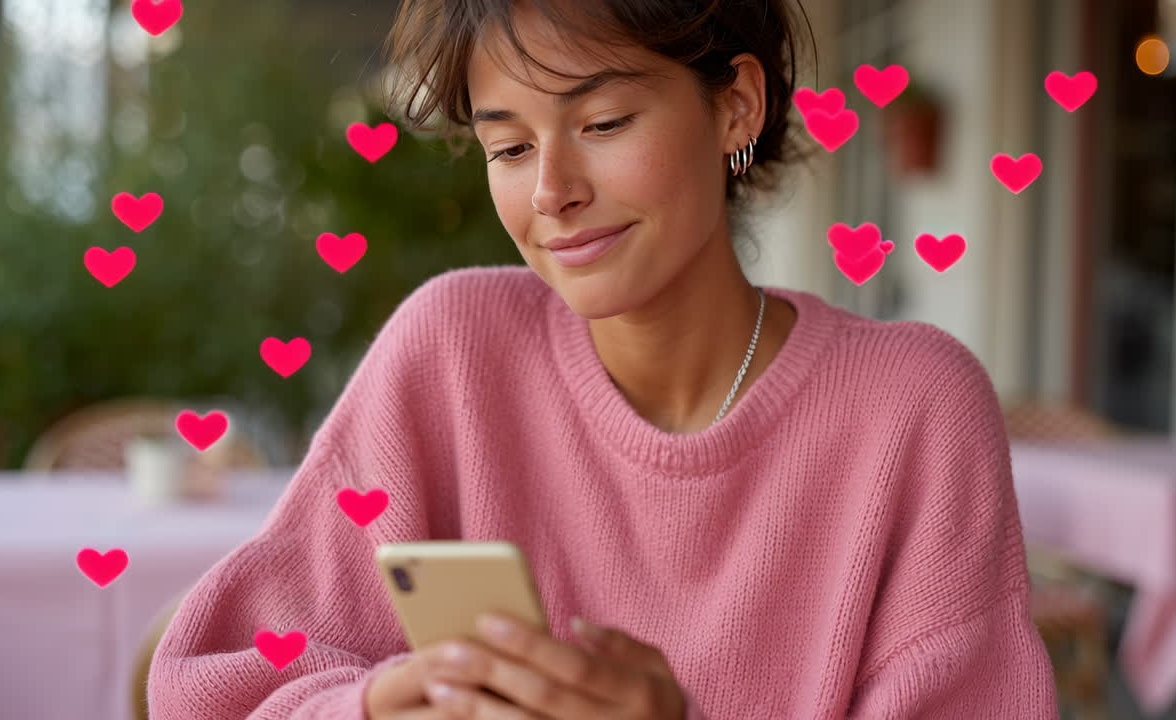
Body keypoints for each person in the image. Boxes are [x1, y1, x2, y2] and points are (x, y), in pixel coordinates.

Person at [147, 0, 1061, 717]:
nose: (551, 192)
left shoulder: (913, 409)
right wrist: (376, 708)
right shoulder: (453, 353)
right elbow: (208, 687)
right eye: (508, 146)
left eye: (605, 123)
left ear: (736, 105)